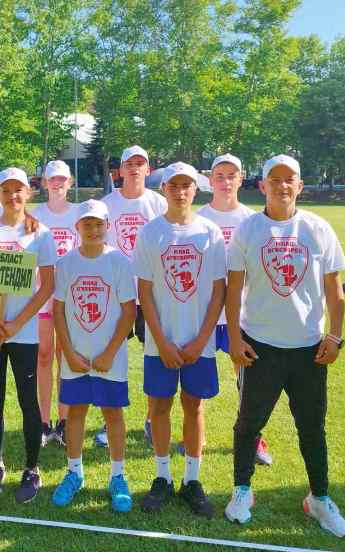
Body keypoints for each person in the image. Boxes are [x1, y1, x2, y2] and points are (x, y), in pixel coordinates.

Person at [224, 154, 345, 538]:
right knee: (249, 424)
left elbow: (335, 291)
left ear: (299, 185)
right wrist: (234, 338)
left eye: (289, 179)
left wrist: (334, 336)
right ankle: (242, 490)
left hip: (309, 349)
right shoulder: (248, 229)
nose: (282, 185)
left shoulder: (318, 228)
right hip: (259, 347)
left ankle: (319, 498)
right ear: (262, 185)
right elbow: (233, 289)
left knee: (312, 426)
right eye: (274, 179)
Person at [134, 162, 226, 518]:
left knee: (194, 406)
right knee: (159, 407)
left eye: (186, 185)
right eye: (174, 185)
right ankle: (162, 476)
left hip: (198, 342)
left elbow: (218, 291)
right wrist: (161, 340)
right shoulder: (150, 233)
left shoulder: (210, 232)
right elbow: (144, 292)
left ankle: (192, 479)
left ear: (195, 189)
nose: (180, 191)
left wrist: (201, 340)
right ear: (164, 189)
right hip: (161, 341)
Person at [0, 167, 55, 503]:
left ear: (28, 192)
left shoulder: (40, 233)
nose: (13, 195)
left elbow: (47, 285)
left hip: (23, 332)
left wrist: (18, 323)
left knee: (28, 401)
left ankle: (31, 468)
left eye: (19, 190)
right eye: (6, 190)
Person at [51, 199, 136, 512]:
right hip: (76, 358)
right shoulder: (66, 264)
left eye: (99, 224)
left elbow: (129, 311)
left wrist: (109, 352)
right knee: (75, 412)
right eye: (87, 224)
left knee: (113, 413)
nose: (93, 230)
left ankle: (118, 476)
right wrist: (69, 352)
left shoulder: (119, 262)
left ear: (108, 226)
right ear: (77, 227)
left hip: (109, 358)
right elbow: (58, 311)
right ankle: (74, 473)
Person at [196, 153, 271, 465]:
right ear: (210, 180)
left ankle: (252, 437)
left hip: (241, 313)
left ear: (241, 179)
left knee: (247, 379)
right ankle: (194, 436)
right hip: (204, 311)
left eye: (232, 175)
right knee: (196, 376)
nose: (226, 182)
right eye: (220, 176)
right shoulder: (198, 218)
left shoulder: (253, 220)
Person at [98, 145, 168, 448]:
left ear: (148, 169)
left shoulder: (159, 204)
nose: (135, 168)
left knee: (155, 358)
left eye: (141, 163)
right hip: (116, 294)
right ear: (120, 170)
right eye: (130, 163)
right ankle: (109, 420)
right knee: (112, 356)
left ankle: (153, 419)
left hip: (151, 294)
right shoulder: (107, 205)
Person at [31, 160, 77, 447]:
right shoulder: (35, 215)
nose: (57, 183)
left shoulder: (79, 213)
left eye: (62, 179)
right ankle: (43, 421)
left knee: (66, 358)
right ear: (45, 183)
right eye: (52, 179)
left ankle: (65, 421)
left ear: (70, 182)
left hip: (70, 296)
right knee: (44, 356)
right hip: (42, 295)